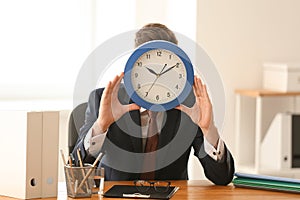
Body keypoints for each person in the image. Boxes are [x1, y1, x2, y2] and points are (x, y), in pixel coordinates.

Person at [72, 23, 234, 185]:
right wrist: (101, 125)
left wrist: (209, 129)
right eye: (148, 68)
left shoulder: (190, 105)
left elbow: (222, 178)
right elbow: (75, 169)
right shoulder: (104, 100)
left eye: (166, 69)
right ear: (135, 66)